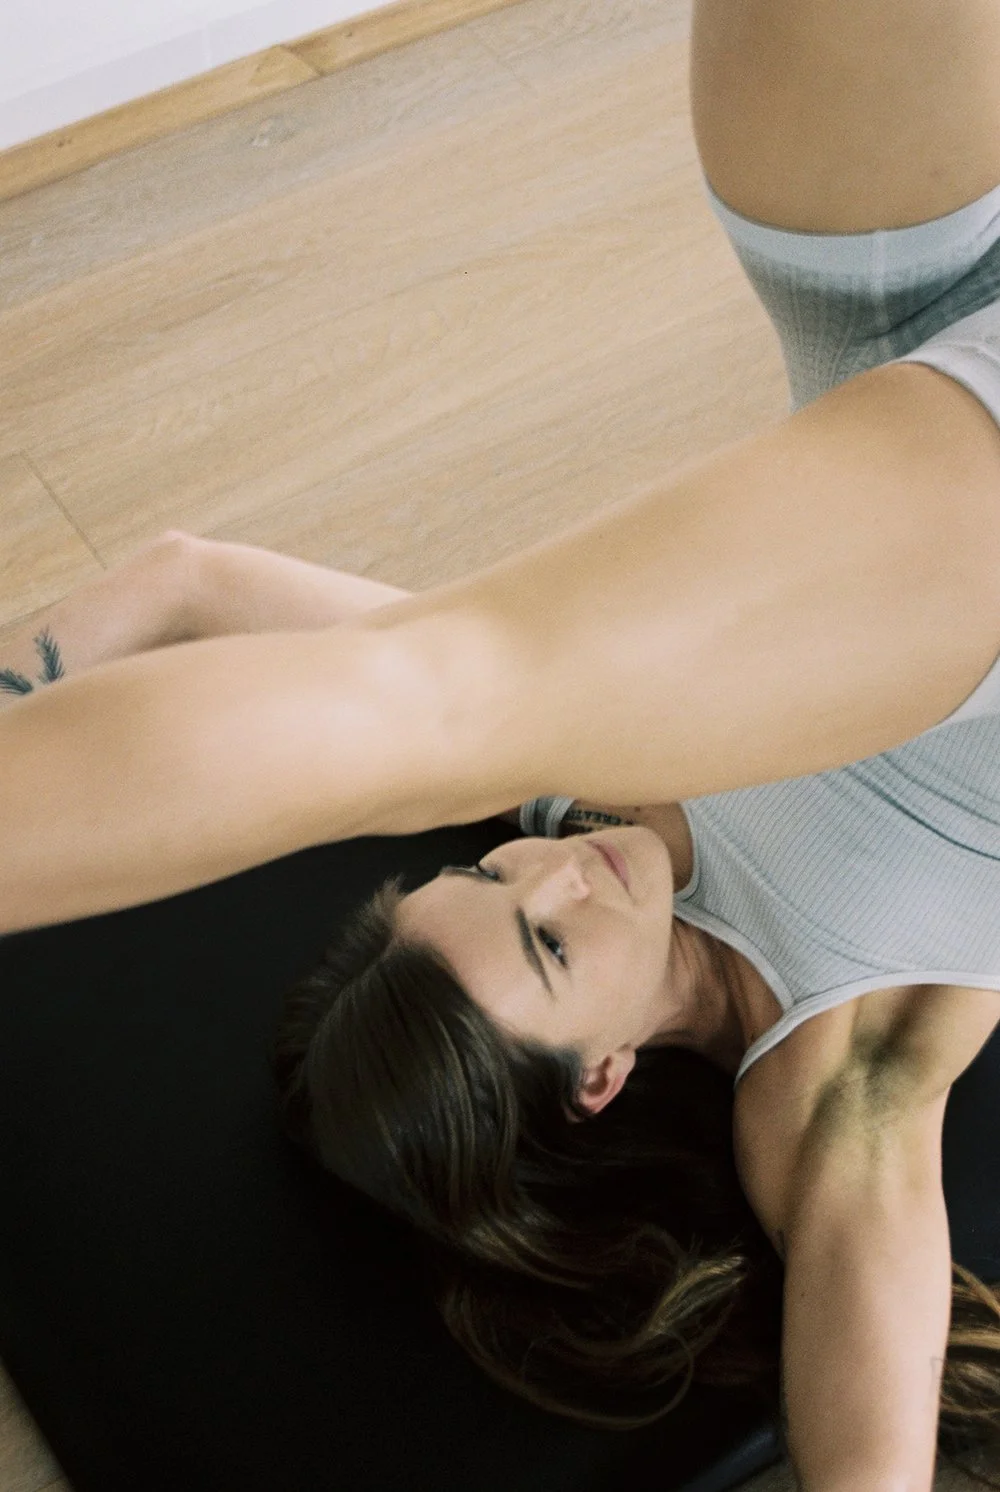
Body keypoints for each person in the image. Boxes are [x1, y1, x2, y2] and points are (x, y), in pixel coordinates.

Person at [3, 1, 1000, 1485]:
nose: (554, 872)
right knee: (438, 699)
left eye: (484, 878)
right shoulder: (830, 1070)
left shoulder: (571, 798)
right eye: (543, 946)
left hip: (889, 302)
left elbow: (191, 575)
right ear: (600, 1078)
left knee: (443, 705)